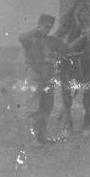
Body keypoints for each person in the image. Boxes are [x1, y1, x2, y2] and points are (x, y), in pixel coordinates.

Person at [54, 0, 90, 136]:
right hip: (70, 53)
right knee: (66, 91)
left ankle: (88, 122)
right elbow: (58, 37)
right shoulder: (68, 25)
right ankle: (67, 120)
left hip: (88, 58)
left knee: (87, 94)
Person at [18, 14, 71, 145]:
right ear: (39, 25)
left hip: (48, 78)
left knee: (47, 107)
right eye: (46, 26)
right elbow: (21, 38)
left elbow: (67, 49)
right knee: (34, 107)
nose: (48, 29)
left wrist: (81, 37)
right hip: (34, 76)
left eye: (50, 27)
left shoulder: (52, 41)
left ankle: (41, 136)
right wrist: (36, 31)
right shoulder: (30, 40)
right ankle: (33, 138)